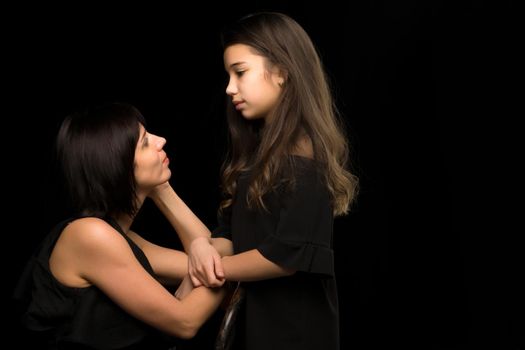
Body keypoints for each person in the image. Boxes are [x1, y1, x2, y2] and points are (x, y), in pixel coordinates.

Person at [151, 12, 359, 350]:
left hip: (297, 333)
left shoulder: (307, 158)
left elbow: (284, 257)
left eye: (241, 72)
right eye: (228, 75)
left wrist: (212, 267)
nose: (230, 88)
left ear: (282, 72)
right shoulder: (259, 154)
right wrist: (204, 247)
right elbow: (231, 233)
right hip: (256, 324)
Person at [13, 102, 225, 350]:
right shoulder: (90, 235)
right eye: (145, 142)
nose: (161, 141)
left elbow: (206, 260)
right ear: (118, 165)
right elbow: (186, 321)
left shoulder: (123, 239)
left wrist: (163, 190)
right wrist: (227, 266)